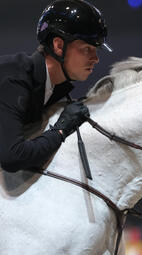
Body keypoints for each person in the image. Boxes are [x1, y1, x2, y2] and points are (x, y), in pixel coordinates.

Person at [0, 0, 112, 172]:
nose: (95, 58)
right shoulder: (14, 79)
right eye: (87, 48)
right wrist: (60, 130)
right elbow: (13, 157)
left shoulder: (52, 87)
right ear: (59, 45)